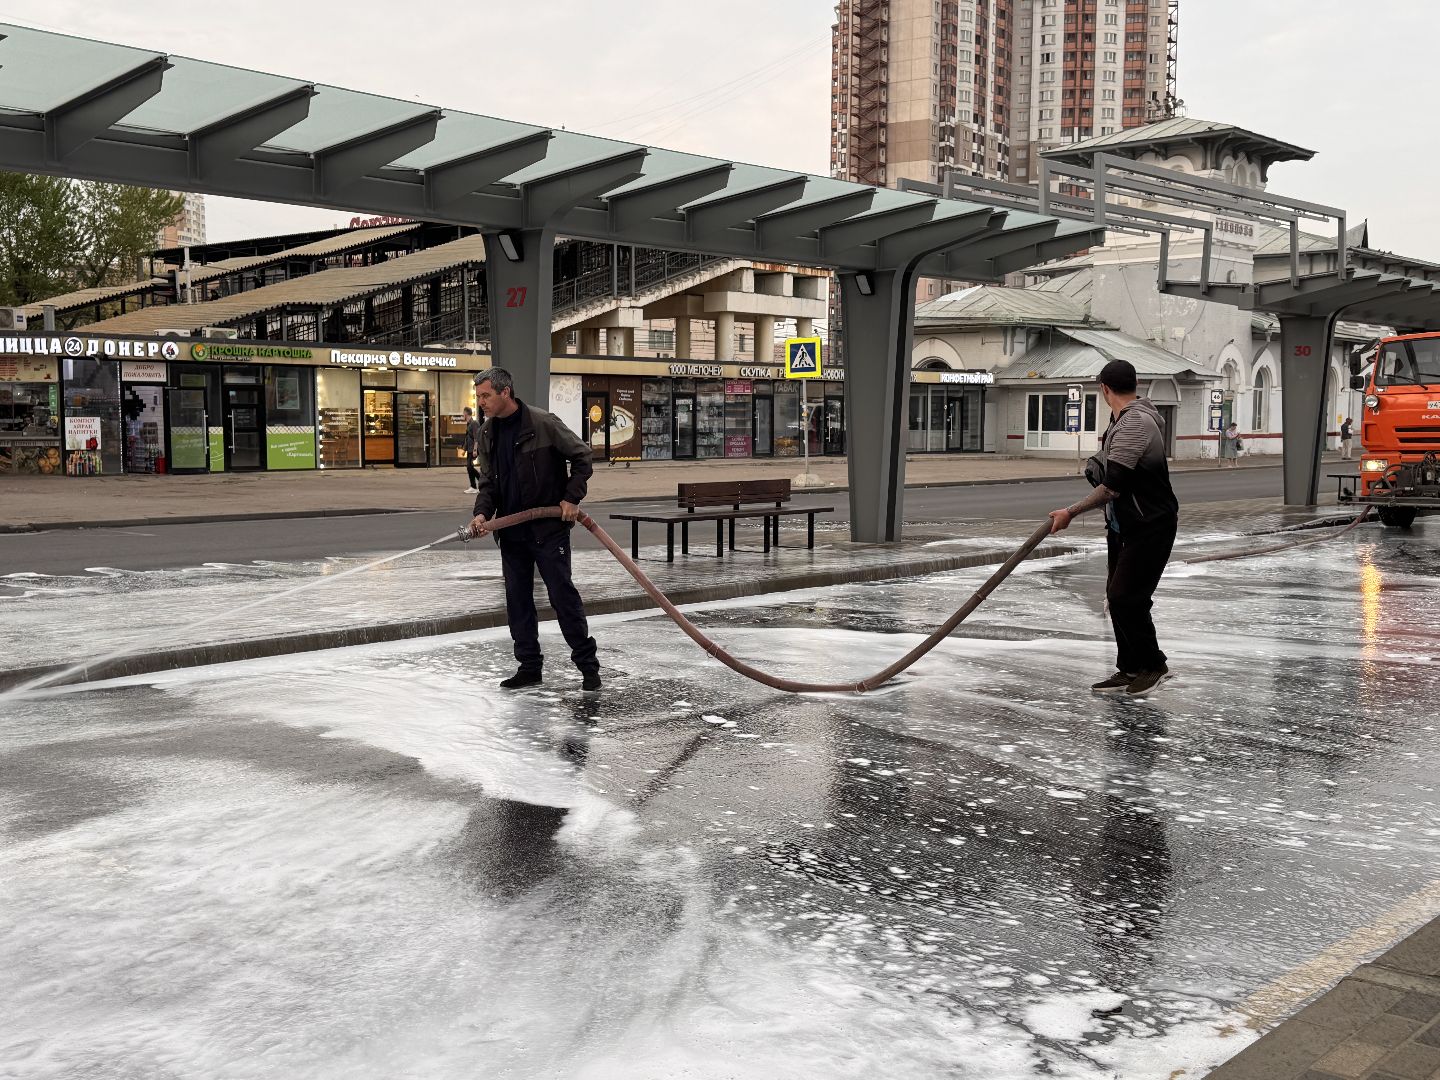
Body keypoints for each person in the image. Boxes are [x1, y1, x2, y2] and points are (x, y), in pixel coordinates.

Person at [1048, 359, 1179, 699]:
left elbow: (1113, 486)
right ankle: (1130, 668)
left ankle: (1153, 666)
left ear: (1104, 389)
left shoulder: (1135, 422)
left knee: (1126, 598)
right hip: (1125, 526)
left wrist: (1070, 512)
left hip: (1150, 524)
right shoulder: (1122, 420)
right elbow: (1113, 471)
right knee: (1119, 597)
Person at [467, 367, 601, 692]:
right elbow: (488, 484)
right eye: (479, 396)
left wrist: (571, 497)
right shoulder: (487, 435)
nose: (481, 401)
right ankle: (529, 667)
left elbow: (583, 457)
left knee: (562, 597)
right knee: (518, 602)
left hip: (547, 529)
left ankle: (588, 668)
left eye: (486, 395)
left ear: (505, 392)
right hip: (511, 534)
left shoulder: (542, 424)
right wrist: (482, 514)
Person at [462, 406, 482, 494]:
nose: (463, 415)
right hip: (469, 449)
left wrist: (475, 449)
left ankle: (476, 485)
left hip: (473, 449)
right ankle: (474, 485)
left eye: (463, 413)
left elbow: (476, 437)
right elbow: (467, 438)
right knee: (469, 467)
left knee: (469, 467)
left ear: (466, 413)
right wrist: (464, 450)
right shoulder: (469, 423)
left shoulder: (474, 423)